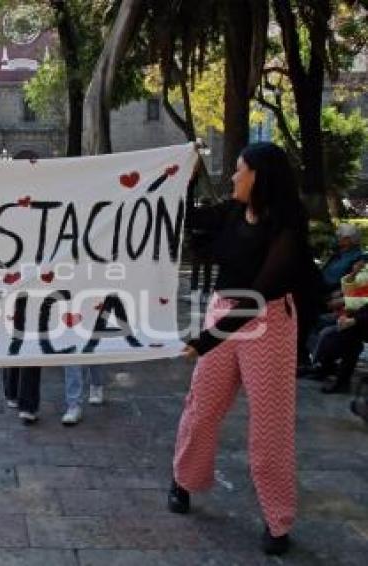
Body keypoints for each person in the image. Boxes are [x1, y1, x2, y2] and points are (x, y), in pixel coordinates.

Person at [169, 142, 313, 556]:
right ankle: (183, 479)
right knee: (201, 407)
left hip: (267, 321)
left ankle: (277, 520)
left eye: (239, 170)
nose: (233, 177)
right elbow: (186, 216)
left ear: (259, 177)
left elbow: (260, 293)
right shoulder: (232, 212)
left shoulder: (287, 225)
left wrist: (206, 340)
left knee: (270, 425)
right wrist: (187, 172)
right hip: (223, 312)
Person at [320, 223, 364, 293]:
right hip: (320, 284)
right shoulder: (338, 252)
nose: (338, 239)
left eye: (341, 236)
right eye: (338, 236)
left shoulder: (357, 257)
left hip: (329, 288)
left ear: (351, 239)